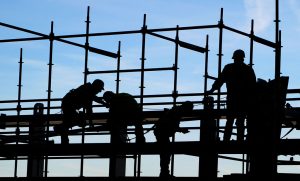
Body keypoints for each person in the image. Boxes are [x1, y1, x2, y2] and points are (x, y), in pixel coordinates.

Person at [207, 49, 256, 142]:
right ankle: (239, 140)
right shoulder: (247, 69)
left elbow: (220, 81)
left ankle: (227, 140)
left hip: (234, 99)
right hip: (242, 100)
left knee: (231, 120)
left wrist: (212, 90)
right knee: (239, 121)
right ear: (243, 58)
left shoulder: (229, 68)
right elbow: (253, 86)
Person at [54, 79, 106, 144]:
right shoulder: (88, 91)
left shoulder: (88, 89)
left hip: (68, 104)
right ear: (96, 86)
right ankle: (59, 129)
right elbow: (89, 108)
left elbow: (94, 98)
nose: (100, 91)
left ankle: (64, 140)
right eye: (99, 89)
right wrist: (90, 122)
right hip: (69, 105)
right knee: (80, 122)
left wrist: (103, 103)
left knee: (67, 123)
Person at [153, 101, 194, 178]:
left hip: (161, 133)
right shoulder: (177, 112)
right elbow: (170, 125)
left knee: (165, 154)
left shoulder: (175, 111)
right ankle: (164, 173)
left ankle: (164, 173)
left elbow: (169, 124)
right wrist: (181, 130)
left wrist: (180, 130)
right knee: (165, 154)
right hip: (162, 133)